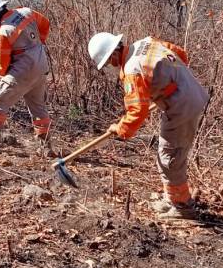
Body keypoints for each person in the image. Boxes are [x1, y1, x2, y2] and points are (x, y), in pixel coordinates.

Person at [87, 32, 209, 220]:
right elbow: (181, 55)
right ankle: (173, 199)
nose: (111, 66)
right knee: (167, 154)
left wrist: (119, 129)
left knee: (169, 157)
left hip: (182, 104)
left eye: (108, 62)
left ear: (113, 54)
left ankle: (183, 207)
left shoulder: (132, 70)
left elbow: (137, 112)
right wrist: (170, 81)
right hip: (189, 91)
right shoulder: (147, 42)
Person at [0, 0, 53, 155]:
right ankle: (46, 147)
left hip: (24, 69)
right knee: (37, 107)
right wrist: (38, 43)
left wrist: (2, 76)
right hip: (41, 63)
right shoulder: (26, 12)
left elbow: (3, 62)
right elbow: (45, 24)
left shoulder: (3, 31)